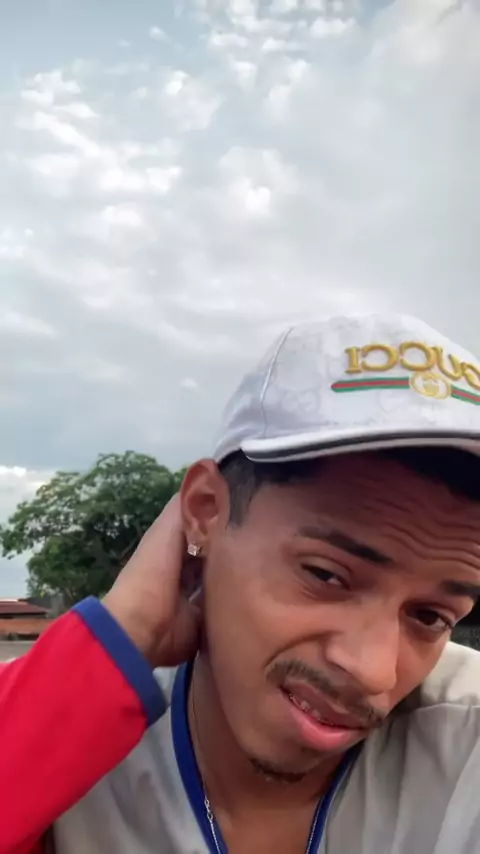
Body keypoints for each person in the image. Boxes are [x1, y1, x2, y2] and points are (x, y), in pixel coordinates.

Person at [3, 312, 480, 854]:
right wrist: (126, 629)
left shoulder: (464, 751)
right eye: (326, 575)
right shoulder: (74, 746)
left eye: (429, 616)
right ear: (206, 511)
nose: (373, 670)